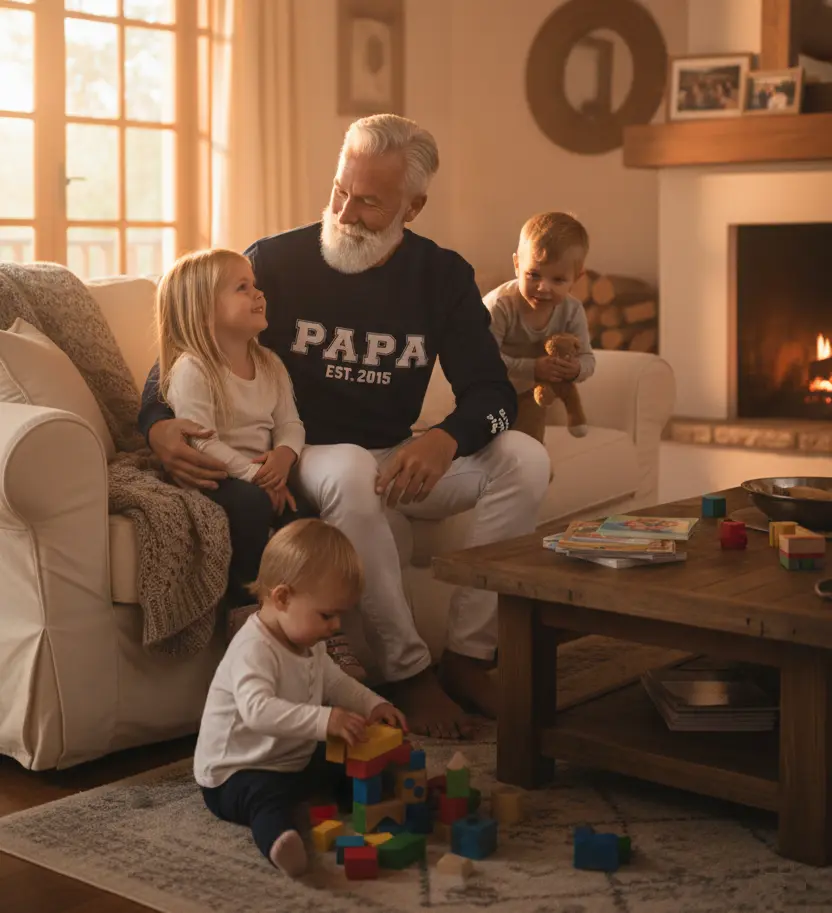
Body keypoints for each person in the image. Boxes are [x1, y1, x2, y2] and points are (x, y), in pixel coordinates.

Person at [139, 114, 552, 735]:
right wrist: (156, 424)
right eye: (340, 190)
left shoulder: (442, 276)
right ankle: (411, 674)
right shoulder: (276, 261)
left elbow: (493, 393)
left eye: (369, 202)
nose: (345, 211)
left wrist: (446, 440)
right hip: (311, 452)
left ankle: (470, 658)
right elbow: (183, 349)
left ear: (413, 207)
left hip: (403, 458)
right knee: (355, 466)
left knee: (525, 457)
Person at [194, 519, 407, 878]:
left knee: (344, 750)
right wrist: (326, 720)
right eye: (327, 615)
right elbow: (258, 711)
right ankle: (280, 841)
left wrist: (373, 704)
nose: (336, 626)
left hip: (289, 758)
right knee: (266, 799)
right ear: (282, 598)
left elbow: (336, 682)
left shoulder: (309, 642)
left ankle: (361, 796)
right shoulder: (253, 649)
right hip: (236, 773)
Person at [155, 247, 315, 610]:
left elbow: (290, 422)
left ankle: (298, 610)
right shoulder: (193, 369)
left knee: (303, 514)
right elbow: (200, 443)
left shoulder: (270, 363)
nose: (259, 294)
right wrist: (255, 475)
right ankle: (243, 609)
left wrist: (285, 456)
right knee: (251, 505)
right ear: (203, 308)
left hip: (260, 475)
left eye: (255, 285)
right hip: (215, 476)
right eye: (242, 287)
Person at [484, 211, 596, 437]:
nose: (543, 287)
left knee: (530, 437)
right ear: (517, 265)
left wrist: (576, 370)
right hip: (486, 389)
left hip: (531, 392)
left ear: (576, 278)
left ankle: (535, 466)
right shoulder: (499, 306)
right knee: (487, 437)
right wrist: (532, 367)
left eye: (558, 280)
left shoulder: (572, 311)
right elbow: (483, 360)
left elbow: (588, 359)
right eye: (533, 275)